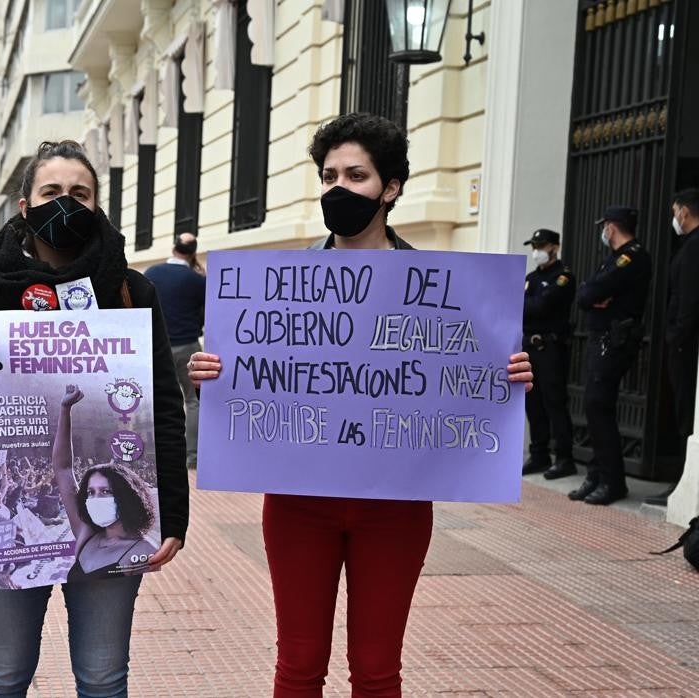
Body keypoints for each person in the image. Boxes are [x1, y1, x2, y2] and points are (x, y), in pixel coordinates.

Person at [186, 113, 533, 697]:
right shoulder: (278, 287)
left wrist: (507, 376)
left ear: (391, 187)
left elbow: (471, 383)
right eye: (328, 175)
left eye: (356, 174)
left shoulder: (450, 295)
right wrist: (213, 376)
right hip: (298, 503)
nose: (338, 188)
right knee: (298, 665)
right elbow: (252, 379)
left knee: (376, 670)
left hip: (394, 508)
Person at [0, 140, 188, 698]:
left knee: (103, 678)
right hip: (8, 527)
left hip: (109, 525)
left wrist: (173, 519)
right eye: (51, 192)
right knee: (2, 676)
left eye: (79, 193)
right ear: (24, 206)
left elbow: (164, 405)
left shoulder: (130, 290)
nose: (65, 203)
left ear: (96, 206)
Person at [571, 205, 651, 506]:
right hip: (602, 340)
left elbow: (590, 294)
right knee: (594, 408)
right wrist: (593, 295)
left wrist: (594, 295)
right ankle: (597, 473)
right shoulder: (614, 258)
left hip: (614, 342)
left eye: (604, 226)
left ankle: (613, 480)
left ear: (611, 227)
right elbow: (586, 296)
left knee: (598, 406)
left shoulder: (632, 258)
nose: (602, 231)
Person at [53, 385, 159, 582]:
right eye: (91, 492)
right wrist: (65, 409)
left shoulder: (144, 549)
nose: (95, 499)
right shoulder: (87, 533)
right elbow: (63, 469)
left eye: (105, 491)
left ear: (124, 496)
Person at [649, 188, 699, 506]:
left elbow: (689, 299)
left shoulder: (694, 248)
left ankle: (683, 480)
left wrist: (677, 337)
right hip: (682, 341)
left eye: (674, 212)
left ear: (684, 212)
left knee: (685, 413)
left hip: (685, 345)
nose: (674, 219)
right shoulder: (689, 245)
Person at [144, 234, 206, 467]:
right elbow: (208, 309)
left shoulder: (151, 273)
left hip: (158, 347)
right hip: (188, 346)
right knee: (193, 401)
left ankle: (156, 456)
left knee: (157, 402)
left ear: (173, 247)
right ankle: (192, 458)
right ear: (192, 252)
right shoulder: (197, 280)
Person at [520, 229, 577, 480]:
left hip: (551, 348)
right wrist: (529, 305)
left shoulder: (563, 277)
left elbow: (543, 306)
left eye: (541, 246)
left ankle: (564, 458)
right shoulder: (531, 277)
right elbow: (521, 307)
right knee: (533, 403)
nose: (537, 250)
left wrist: (527, 304)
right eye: (534, 245)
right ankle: (539, 453)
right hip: (529, 346)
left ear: (554, 247)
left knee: (555, 402)